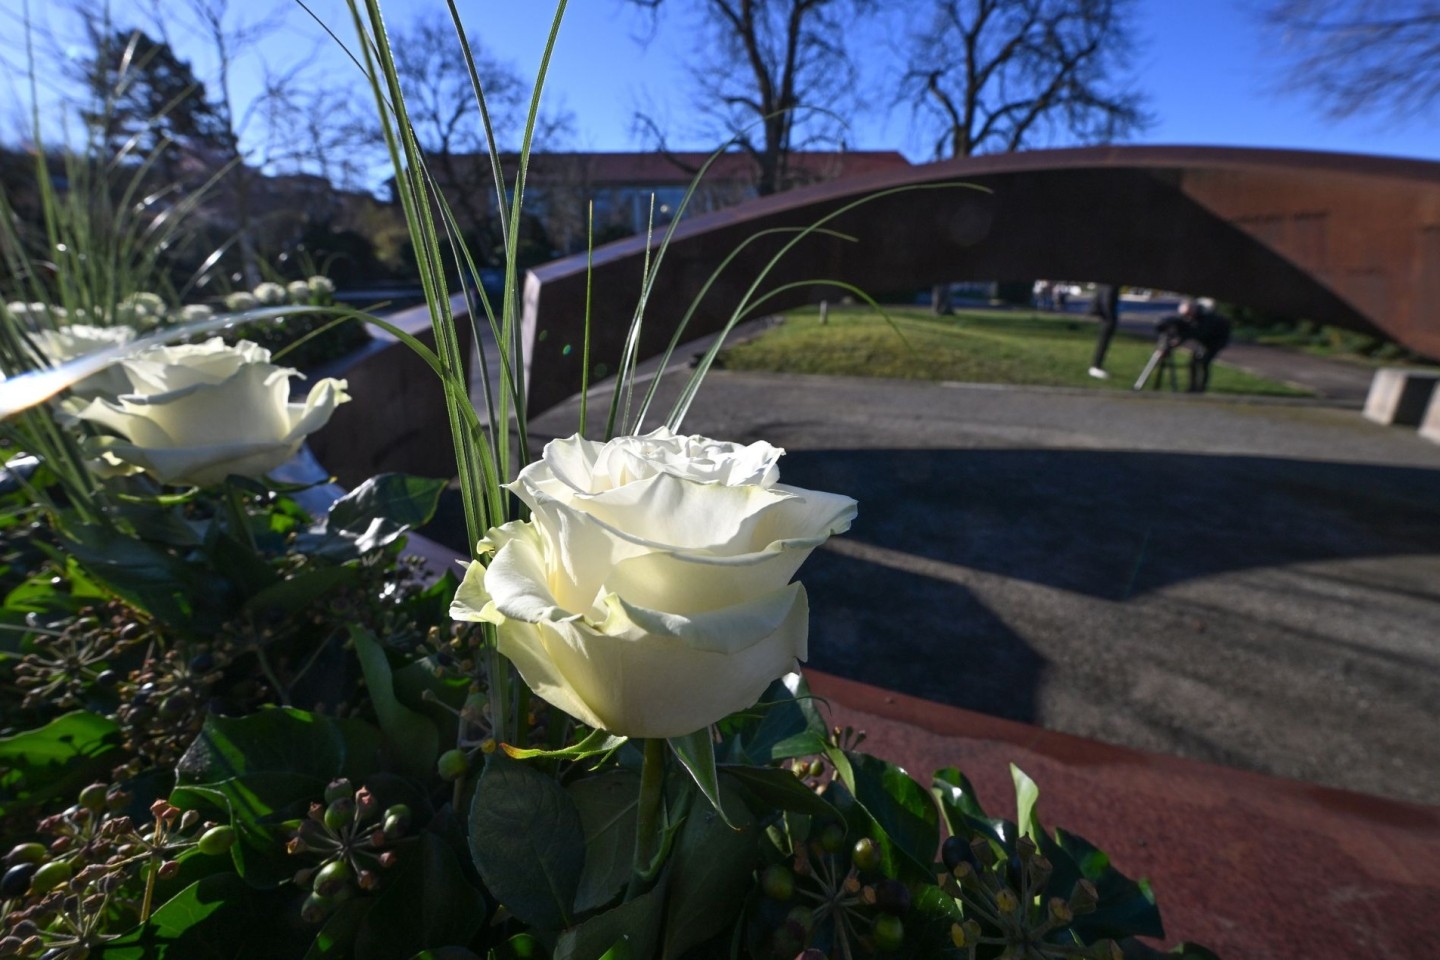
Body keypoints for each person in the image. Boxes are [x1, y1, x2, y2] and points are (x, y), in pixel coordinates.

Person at [1087, 283, 1121, 379]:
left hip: (1105, 293)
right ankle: (1096, 365)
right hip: (1108, 295)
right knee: (1108, 327)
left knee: (1108, 326)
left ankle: (1096, 365)